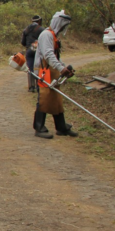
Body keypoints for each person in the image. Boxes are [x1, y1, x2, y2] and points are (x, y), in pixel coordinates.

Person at [33, 10, 78, 139]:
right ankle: (39, 127)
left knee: (56, 98)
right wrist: (61, 68)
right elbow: (48, 55)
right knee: (44, 98)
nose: (65, 27)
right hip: (43, 71)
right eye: (64, 24)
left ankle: (61, 127)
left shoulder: (53, 35)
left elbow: (56, 57)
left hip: (52, 71)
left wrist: (64, 68)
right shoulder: (46, 35)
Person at [21, 14, 44, 92]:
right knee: (38, 68)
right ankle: (38, 86)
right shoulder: (41, 29)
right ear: (39, 21)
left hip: (29, 51)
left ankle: (31, 87)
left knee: (30, 69)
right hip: (38, 51)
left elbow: (23, 42)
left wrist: (28, 46)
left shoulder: (26, 30)